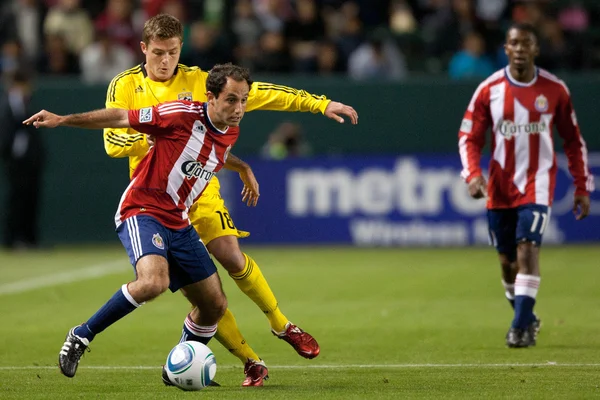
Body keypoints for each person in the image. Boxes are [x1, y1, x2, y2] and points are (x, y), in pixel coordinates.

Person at [104, 14, 358, 386]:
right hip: (155, 203)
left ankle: (281, 324)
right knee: (207, 298)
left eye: (172, 52)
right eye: (158, 52)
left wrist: (320, 105)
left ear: (181, 49)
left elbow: (265, 94)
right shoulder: (124, 85)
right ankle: (251, 360)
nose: (165, 60)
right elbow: (113, 142)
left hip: (200, 191)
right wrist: (151, 139)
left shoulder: (198, 82)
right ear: (143, 49)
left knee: (230, 254)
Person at [24, 63, 255, 378]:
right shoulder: (178, 114)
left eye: (243, 100)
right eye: (231, 99)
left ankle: (176, 367)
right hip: (142, 208)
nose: (239, 108)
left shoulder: (231, 129)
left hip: (179, 221)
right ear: (210, 97)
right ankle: (81, 335)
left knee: (214, 305)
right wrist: (64, 119)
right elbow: (120, 116)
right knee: (153, 282)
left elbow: (217, 152)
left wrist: (242, 167)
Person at [458, 23, 593, 348]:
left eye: (525, 44)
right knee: (507, 263)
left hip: (539, 182)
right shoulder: (488, 89)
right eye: (513, 43)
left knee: (528, 248)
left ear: (535, 49)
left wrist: (581, 186)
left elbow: (573, 141)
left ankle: (518, 328)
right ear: (506, 49)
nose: (519, 49)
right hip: (500, 187)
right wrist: (472, 174)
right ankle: (527, 317)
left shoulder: (555, 89)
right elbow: (469, 136)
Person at [0, 69, 44, 249]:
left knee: (30, 200)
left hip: (29, 162)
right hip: (15, 162)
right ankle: (13, 240)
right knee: (16, 201)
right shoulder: (7, 104)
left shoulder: (26, 104)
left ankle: (28, 239)